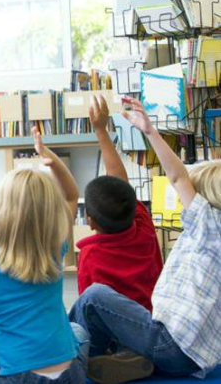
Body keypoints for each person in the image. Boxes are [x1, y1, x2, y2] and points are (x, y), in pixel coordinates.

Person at [69, 96, 221, 384]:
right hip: (196, 358)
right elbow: (123, 183)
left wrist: (150, 131)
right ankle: (130, 356)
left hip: (169, 343)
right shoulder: (147, 227)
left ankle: (73, 361)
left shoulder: (208, 225)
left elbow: (178, 177)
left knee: (92, 298)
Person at [0, 127, 89, 384]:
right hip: (71, 375)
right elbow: (70, 194)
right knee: (77, 330)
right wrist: (49, 157)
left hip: (19, 378)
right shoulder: (55, 249)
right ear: (51, 214)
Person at [77, 95, 163, 311]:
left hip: (118, 340)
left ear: (90, 221)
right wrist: (101, 130)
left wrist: (99, 129)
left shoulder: (90, 257)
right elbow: (119, 179)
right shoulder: (144, 228)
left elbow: (89, 310)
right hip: (154, 322)